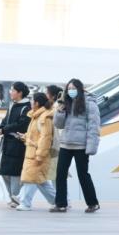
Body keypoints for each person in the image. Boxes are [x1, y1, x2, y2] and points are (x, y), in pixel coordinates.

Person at [52, 78, 101, 213]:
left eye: (73, 88)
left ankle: (93, 203)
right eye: (69, 88)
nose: (71, 91)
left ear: (80, 89)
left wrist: (91, 146)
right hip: (65, 144)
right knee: (60, 174)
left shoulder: (89, 103)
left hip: (81, 146)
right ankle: (61, 204)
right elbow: (58, 124)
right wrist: (60, 111)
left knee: (82, 175)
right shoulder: (66, 102)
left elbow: (93, 126)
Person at [15, 92, 57, 211]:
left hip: (37, 154)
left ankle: (25, 203)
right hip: (33, 152)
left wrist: (40, 155)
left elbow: (46, 138)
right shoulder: (36, 116)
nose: (31, 103)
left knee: (30, 178)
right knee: (40, 181)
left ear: (37, 103)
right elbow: (36, 135)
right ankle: (58, 201)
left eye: (32, 101)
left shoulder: (44, 118)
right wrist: (25, 136)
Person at [0, 81, 31, 205]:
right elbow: (5, 120)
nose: (10, 92)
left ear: (20, 93)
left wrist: (4, 129)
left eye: (13, 90)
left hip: (18, 145)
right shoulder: (13, 105)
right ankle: (13, 197)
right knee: (4, 172)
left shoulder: (26, 107)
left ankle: (16, 198)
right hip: (6, 144)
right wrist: (0, 127)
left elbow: (22, 124)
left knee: (15, 173)